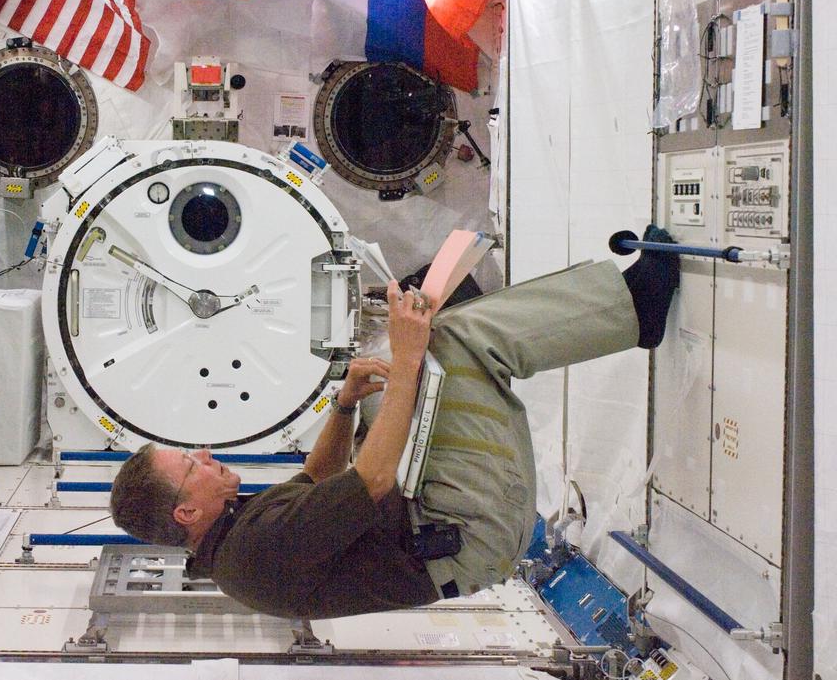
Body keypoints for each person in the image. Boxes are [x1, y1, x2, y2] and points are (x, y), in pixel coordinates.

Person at [109, 227, 681, 619]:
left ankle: (587, 308)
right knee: (448, 342)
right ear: (187, 512)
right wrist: (408, 358)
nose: (204, 455)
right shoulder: (255, 553)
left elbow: (316, 478)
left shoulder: (238, 535)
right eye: (190, 465)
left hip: (440, 524)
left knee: (389, 379)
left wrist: (345, 403)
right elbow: (373, 480)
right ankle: (637, 309)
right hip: (469, 532)